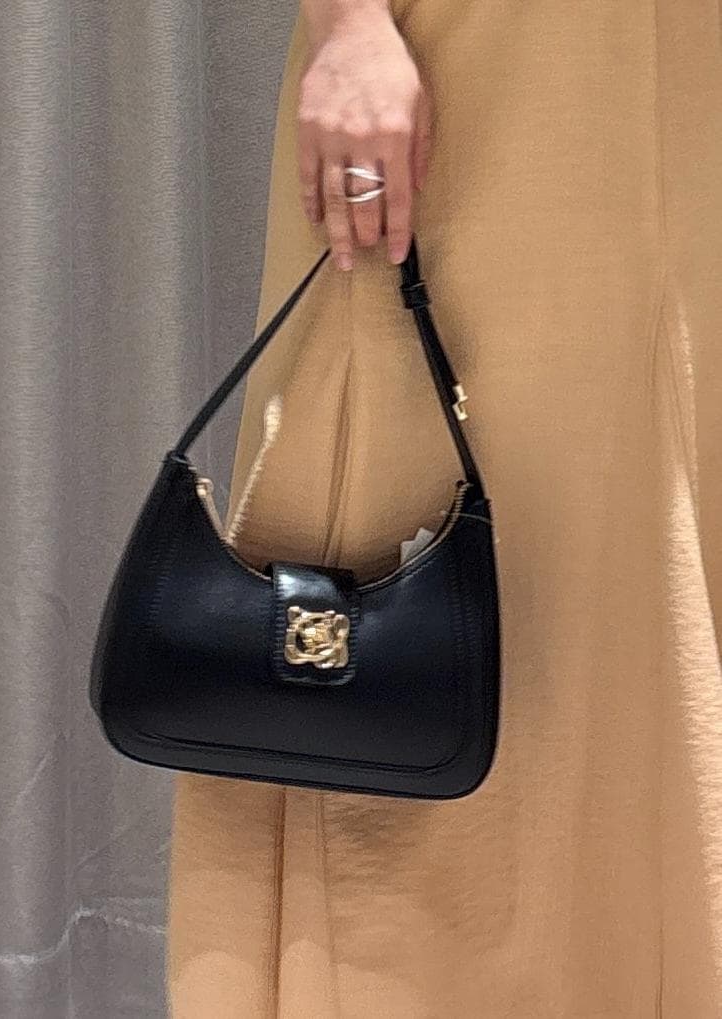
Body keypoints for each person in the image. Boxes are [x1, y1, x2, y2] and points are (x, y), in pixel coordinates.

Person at [166, 1, 722, 1015]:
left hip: (695, 93)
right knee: (408, 509)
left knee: (658, 565)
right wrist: (346, 29)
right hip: (470, 69)